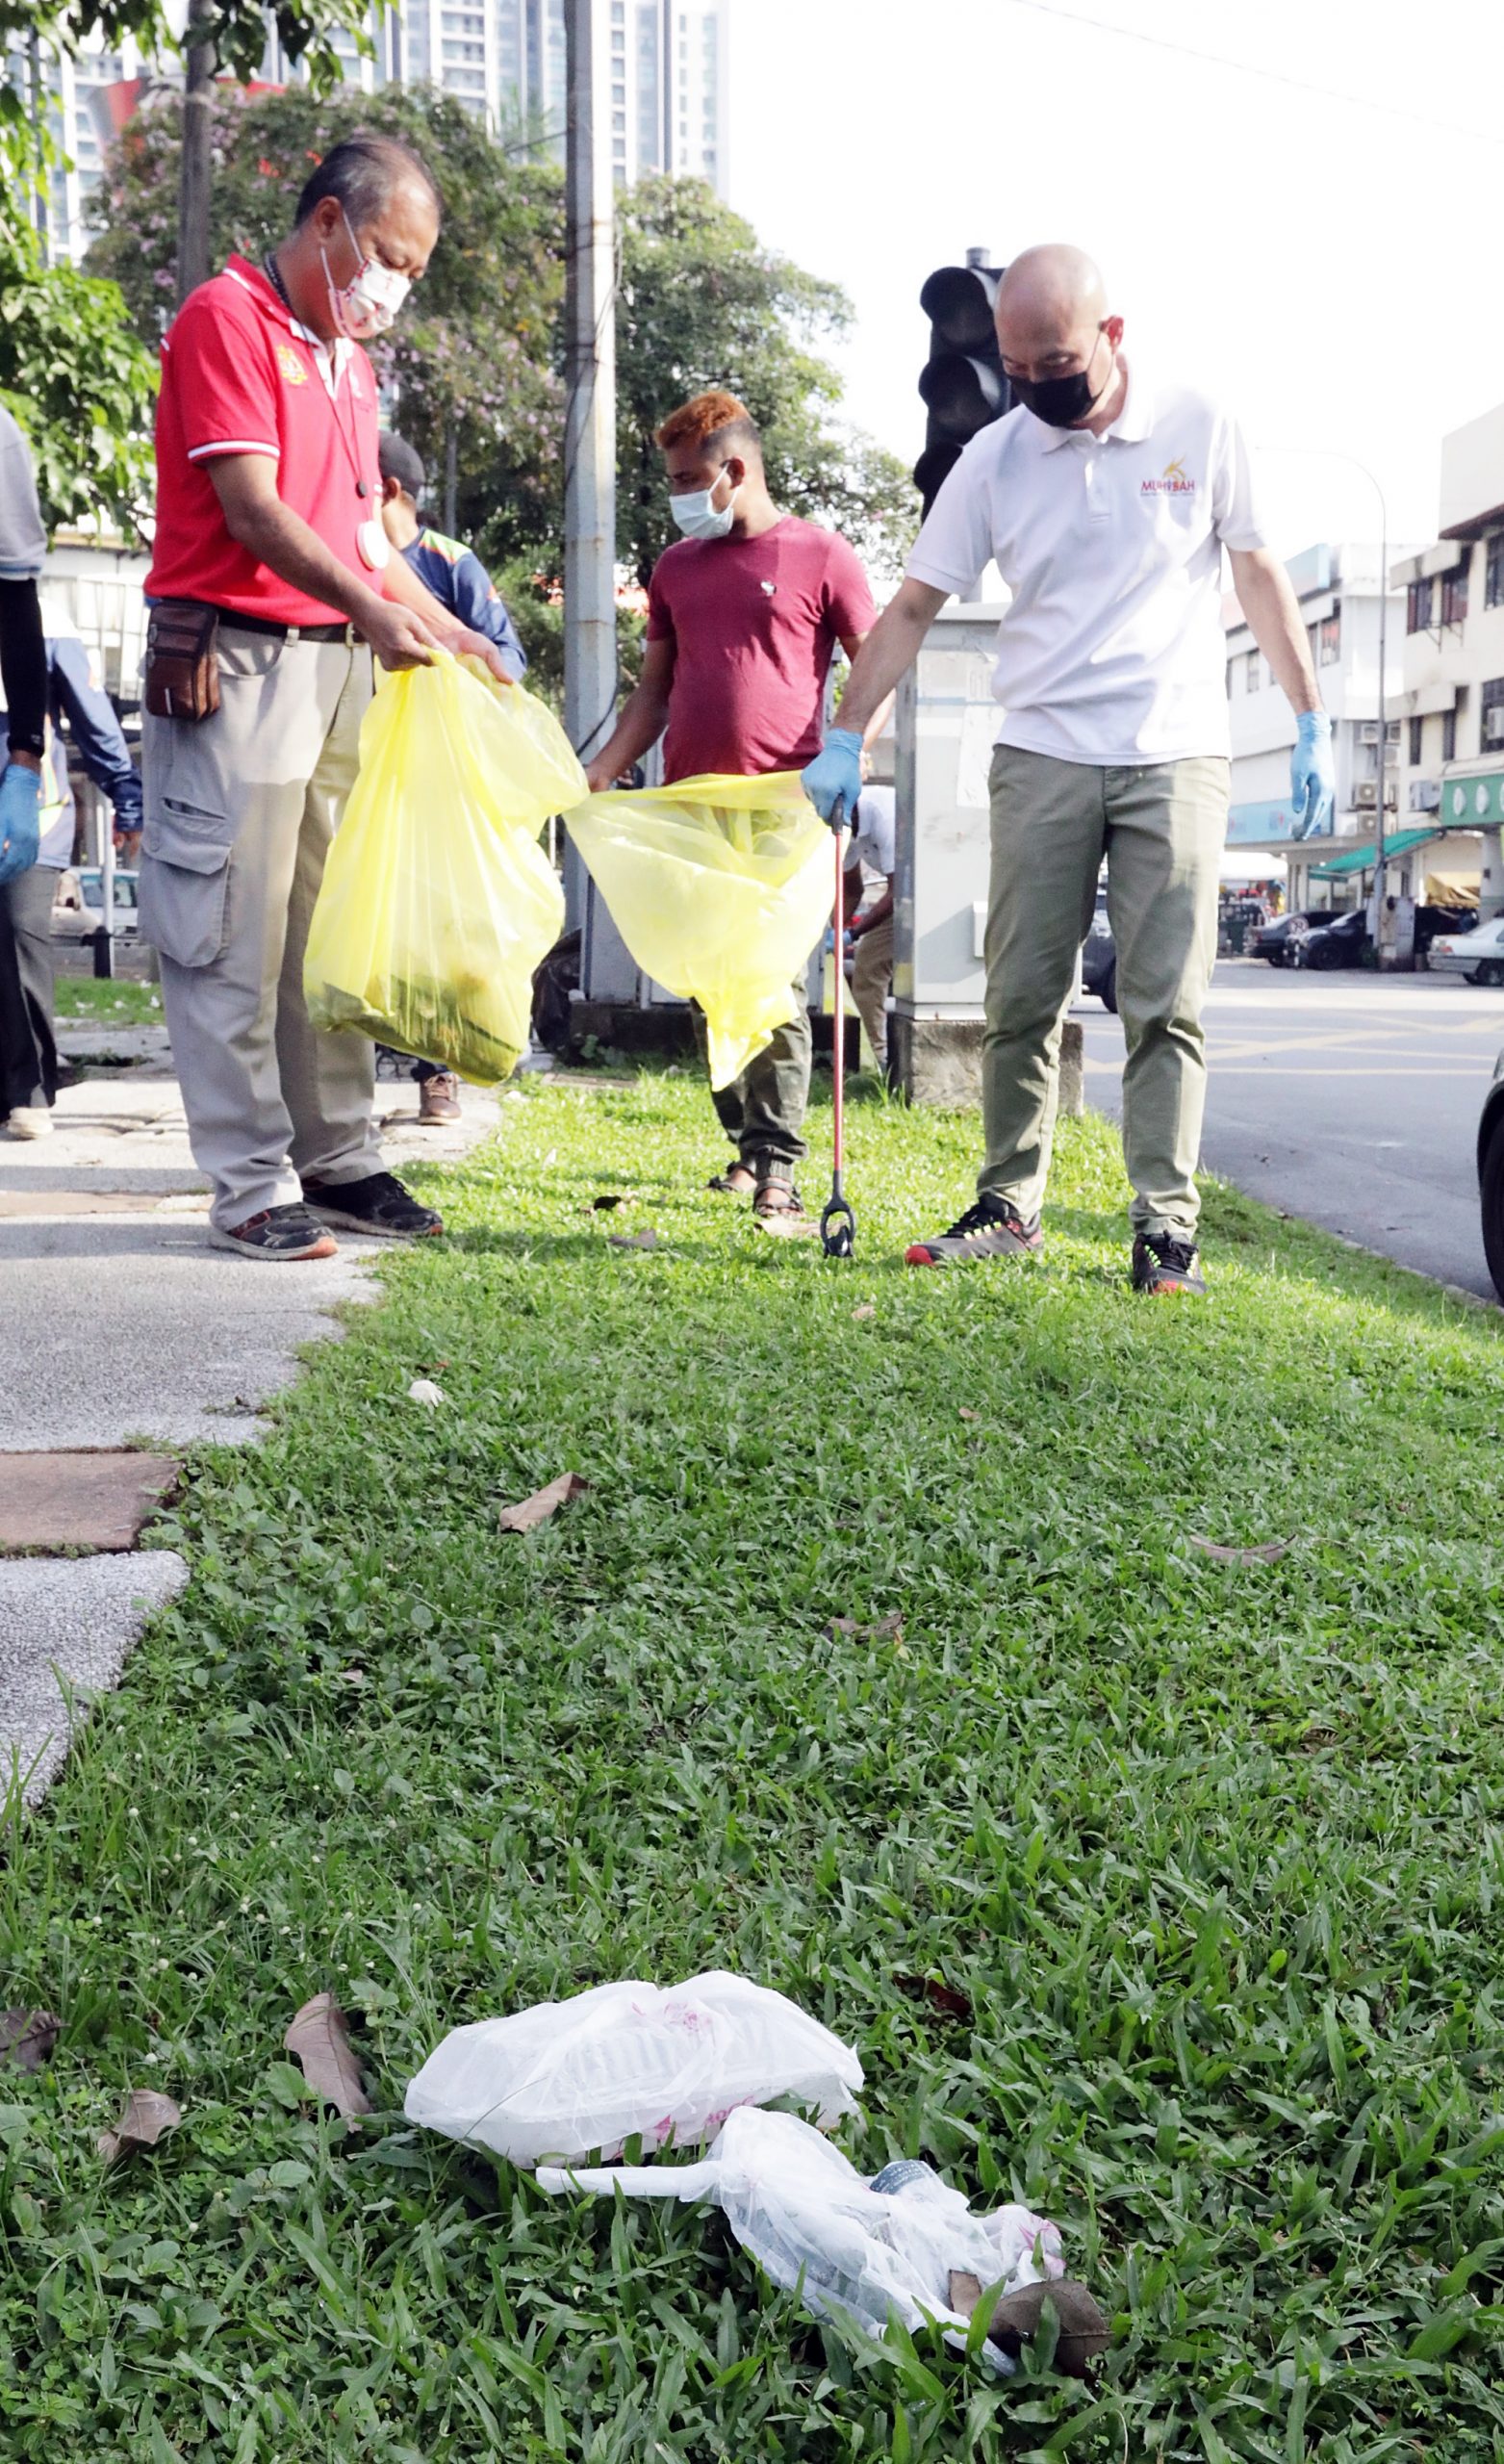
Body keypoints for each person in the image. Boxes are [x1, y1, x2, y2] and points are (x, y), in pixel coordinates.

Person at [803, 244, 1335, 1296]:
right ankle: (1010, 1202)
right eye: (1016, 366)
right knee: (1022, 994)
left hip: (1174, 753)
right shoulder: (994, 458)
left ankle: (1164, 1227)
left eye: (1055, 363)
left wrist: (1310, 716)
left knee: (1164, 1002)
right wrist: (846, 728)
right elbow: (913, 606)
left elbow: (1257, 570)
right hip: (1041, 749)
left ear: (1112, 338)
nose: (1037, 387)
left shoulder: (1199, 424)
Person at [140, 130, 511, 1262]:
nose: (394, 287)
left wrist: (446, 628)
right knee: (231, 938)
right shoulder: (227, 318)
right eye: (388, 257)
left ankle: (336, 1156)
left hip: (335, 670)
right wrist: (371, 603)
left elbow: (362, 533)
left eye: (412, 268)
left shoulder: (348, 360)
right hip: (238, 666)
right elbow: (254, 510)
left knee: (323, 935)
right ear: (328, 224)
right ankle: (252, 1182)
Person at [583, 390, 878, 1220]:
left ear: (733, 470)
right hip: (692, 807)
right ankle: (745, 1152)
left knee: (769, 983)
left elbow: (875, 662)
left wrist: (846, 750)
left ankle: (778, 1166)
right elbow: (655, 693)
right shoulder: (675, 569)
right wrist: (603, 771)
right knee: (713, 984)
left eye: (686, 479)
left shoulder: (820, 554)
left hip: (786, 807)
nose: (676, 496)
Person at [376, 427, 527, 1126]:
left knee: (440, 924)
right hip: (364, 762)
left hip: (438, 774)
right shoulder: (341, 558)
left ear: (388, 491)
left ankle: (438, 1071)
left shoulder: (448, 562)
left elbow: (507, 658)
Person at [0, 606, 144, 1137]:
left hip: (29, 811)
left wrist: (127, 799)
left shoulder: (47, 620)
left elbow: (94, 719)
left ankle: (31, 1089)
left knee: (20, 935)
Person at [843, 767, 895, 1078]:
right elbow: (852, 888)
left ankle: (882, 1062)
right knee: (866, 967)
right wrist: (833, 929)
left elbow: (897, 888)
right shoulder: (843, 824)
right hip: (905, 896)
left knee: (871, 962)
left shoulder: (880, 814)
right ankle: (879, 1058)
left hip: (926, 893)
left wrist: (854, 933)